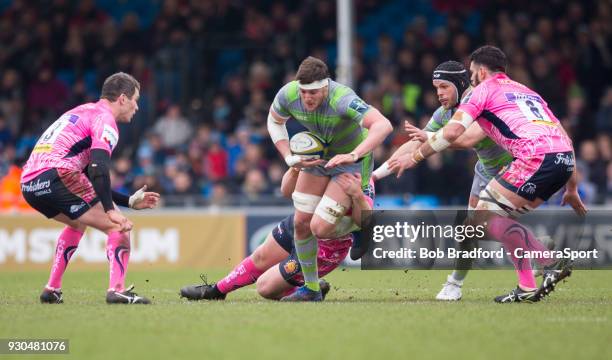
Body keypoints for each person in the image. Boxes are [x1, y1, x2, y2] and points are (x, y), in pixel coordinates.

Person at [391, 45, 586, 303]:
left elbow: (453, 134)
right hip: (562, 160)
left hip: (532, 158)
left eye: (472, 72)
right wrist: (571, 188)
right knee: (484, 223)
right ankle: (528, 285)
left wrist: (417, 157)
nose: (471, 78)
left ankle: (547, 259)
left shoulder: (481, 91)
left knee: (482, 220)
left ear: (481, 72)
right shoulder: (525, 92)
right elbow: (563, 138)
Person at [373, 60, 513, 301]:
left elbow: (466, 138)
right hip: (485, 170)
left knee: (473, 228)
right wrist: (375, 176)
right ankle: (534, 246)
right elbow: (416, 142)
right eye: (436, 87)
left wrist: (428, 137)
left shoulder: (480, 102)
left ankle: (455, 284)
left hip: (511, 168)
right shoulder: (444, 113)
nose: (438, 93)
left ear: (460, 84)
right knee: (474, 231)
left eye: (444, 87)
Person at [20, 72, 161, 305]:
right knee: (119, 227)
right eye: (135, 99)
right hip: (58, 175)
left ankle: (52, 289)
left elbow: (86, 176)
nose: (137, 106)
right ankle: (117, 290)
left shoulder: (81, 111)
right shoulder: (106, 120)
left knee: (78, 222)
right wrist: (110, 209)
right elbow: (97, 168)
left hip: (30, 183)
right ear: (123, 98)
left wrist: (127, 201)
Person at [267, 56, 392, 301]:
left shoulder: (342, 98)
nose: (307, 97)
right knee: (301, 223)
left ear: (326, 86)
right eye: (303, 91)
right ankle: (312, 289)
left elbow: (383, 125)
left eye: (313, 92)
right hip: (320, 159)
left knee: (320, 228)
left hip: (350, 161)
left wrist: (354, 153)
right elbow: (274, 121)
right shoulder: (288, 94)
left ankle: (360, 227)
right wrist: (289, 158)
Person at [179, 167, 374, 300]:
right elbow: (286, 191)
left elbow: (365, 222)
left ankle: (309, 288)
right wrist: (295, 168)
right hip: (299, 223)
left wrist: (357, 195)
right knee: (260, 256)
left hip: (327, 246)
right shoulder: (317, 153)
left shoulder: (359, 170)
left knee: (264, 288)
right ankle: (216, 291)